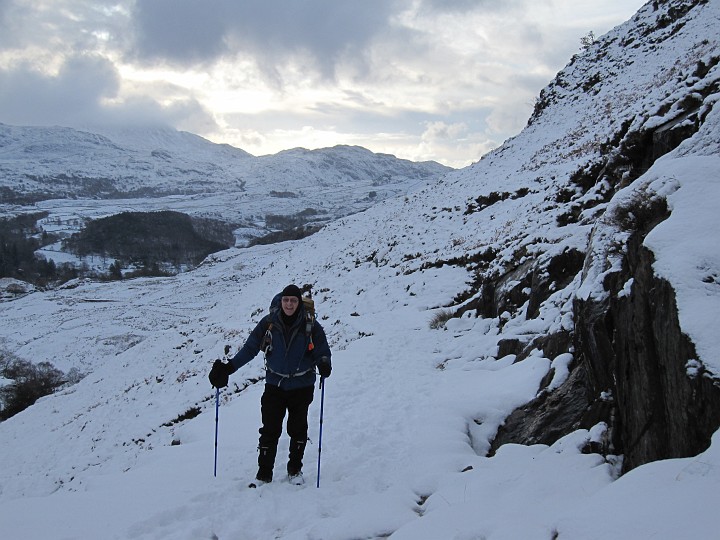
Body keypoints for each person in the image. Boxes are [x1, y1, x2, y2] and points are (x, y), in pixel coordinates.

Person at [209, 284, 332, 486]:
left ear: (299, 303)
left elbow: (322, 349)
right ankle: (264, 474)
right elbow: (250, 348)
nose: (289, 304)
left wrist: (325, 363)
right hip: (275, 384)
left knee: (298, 428)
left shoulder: (311, 325)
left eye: (293, 300)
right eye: (286, 300)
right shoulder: (269, 323)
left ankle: (295, 470)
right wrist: (229, 368)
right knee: (269, 429)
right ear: (281, 301)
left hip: (302, 385)